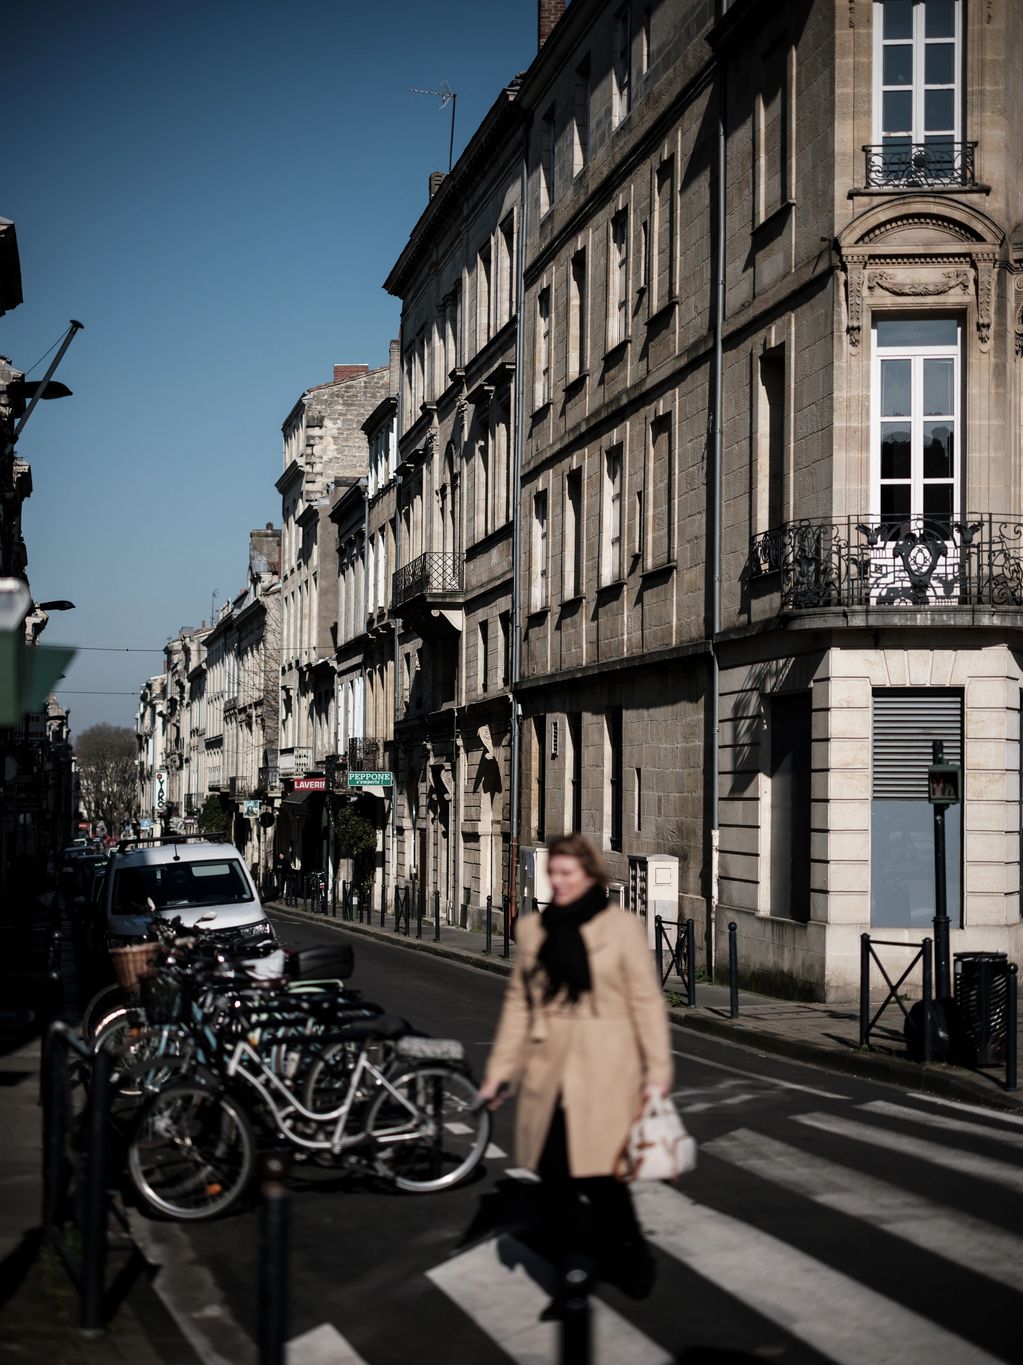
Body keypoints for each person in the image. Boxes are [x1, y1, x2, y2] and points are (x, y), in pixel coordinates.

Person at [477, 832, 672, 1318]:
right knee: (555, 1179)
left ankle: (631, 1252)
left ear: (589, 876)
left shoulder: (620, 928)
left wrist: (657, 1070)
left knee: (603, 1180)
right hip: (550, 1072)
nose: (558, 882)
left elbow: (646, 1001)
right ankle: (575, 1273)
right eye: (554, 873)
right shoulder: (534, 932)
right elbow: (520, 1007)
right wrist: (499, 1073)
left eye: (567, 873)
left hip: (606, 1070)